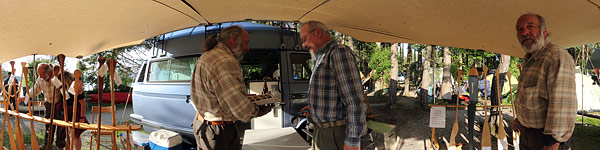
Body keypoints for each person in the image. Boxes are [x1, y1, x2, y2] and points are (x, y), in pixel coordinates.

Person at [190, 25, 273, 150]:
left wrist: (244, 98)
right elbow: (239, 108)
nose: (247, 48)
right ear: (233, 39)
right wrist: (260, 110)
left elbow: (215, 95)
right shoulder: (225, 61)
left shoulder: (208, 55)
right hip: (218, 132)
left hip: (202, 124)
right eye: (246, 43)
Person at [299, 21, 367, 150]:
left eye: (304, 39)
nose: (303, 45)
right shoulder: (321, 55)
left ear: (317, 33)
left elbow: (354, 101)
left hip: (335, 133)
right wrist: (315, 107)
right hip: (323, 131)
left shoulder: (338, 52)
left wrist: (352, 142)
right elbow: (331, 91)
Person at [513, 14, 576, 150]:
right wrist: (520, 118)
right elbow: (533, 97)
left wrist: (552, 142)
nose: (524, 32)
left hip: (546, 139)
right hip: (527, 134)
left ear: (544, 31)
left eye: (530, 26)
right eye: (520, 29)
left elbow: (562, 104)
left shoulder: (555, 57)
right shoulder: (531, 59)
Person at [20, 64, 66, 149]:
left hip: (59, 105)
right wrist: (24, 97)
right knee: (48, 125)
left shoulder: (57, 75)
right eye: (39, 74)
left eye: (42, 74)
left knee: (61, 126)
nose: (40, 77)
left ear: (49, 72)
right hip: (48, 104)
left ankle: (60, 145)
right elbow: (35, 89)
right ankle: (47, 144)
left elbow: (64, 91)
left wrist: (67, 102)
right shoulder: (40, 79)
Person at [55, 71, 87, 150]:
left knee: (76, 135)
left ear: (66, 79)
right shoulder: (63, 88)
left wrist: (82, 117)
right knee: (68, 133)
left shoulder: (76, 86)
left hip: (76, 112)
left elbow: (82, 103)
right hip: (67, 112)